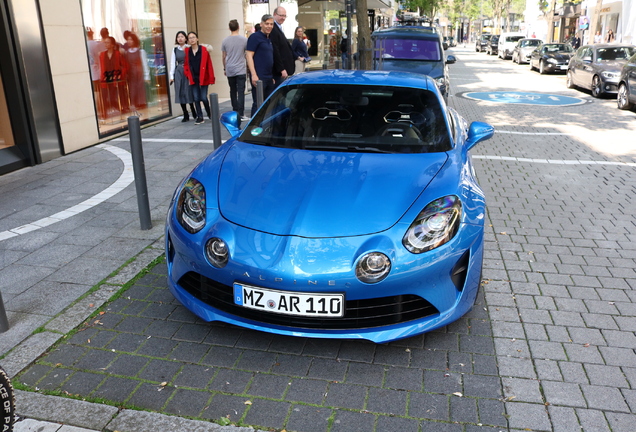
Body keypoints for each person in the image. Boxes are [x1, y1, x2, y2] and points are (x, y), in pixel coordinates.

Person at [183, 31, 215, 125]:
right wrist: (187, 74)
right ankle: (200, 117)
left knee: (203, 97)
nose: (192, 39)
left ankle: (209, 113)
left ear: (197, 39)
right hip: (193, 77)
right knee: (196, 98)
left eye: (193, 37)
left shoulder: (204, 50)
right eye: (190, 38)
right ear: (188, 40)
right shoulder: (187, 51)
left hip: (204, 77)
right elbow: (185, 64)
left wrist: (211, 77)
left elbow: (209, 65)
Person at [246, 14, 275, 116]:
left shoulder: (269, 38)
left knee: (268, 104)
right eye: (267, 24)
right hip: (259, 76)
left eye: (271, 24)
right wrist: (254, 74)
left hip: (268, 77)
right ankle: (253, 128)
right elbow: (249, 56)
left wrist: (271, 76)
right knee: (258, 104)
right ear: (261, 24)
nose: (269, 26)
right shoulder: (255, 37)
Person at [222, 20, 249, 122]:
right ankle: (241, 114)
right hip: (240, 69)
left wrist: (224, 68)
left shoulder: (225, 41)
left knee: (233, 90)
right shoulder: (244, 40)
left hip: (230, 68)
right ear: (238, 27)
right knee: (241, 91)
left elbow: (224, 56)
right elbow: (247, 54)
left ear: (229, 28)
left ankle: (235, 111)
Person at [169, 31, 197, 122]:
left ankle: (193, 109)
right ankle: (185, 113)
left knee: (189, 90)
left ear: (185, 38)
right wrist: (171, 76)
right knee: (180, 91)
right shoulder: (175, 50)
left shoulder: (189, 48)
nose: (180, 38)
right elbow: (173, 63)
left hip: (188, 71)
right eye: (178, 37)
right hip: (179, 72)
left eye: (182, 36)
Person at [99, 36, 127, 117]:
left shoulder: (118, 54)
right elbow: (102, 67)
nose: (106, 44)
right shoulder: (102, 55)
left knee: (115, 95)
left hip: (116, 79)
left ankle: (121, 108)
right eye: (105, 42)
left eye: (108, 42)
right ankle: (104, 113)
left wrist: (121, 75)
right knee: (104, 97)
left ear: (112, 44)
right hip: (106, 79)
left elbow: (125, 65)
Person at [124, 32, 149, 115]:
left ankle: (141, 104)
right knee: (132, 89)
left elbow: (144, 64)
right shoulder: (127, 52)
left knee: (140, 89)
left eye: (131, 39)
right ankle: (133, 104)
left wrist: (146, 76)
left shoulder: (140, 51)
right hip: (131, 74)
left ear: (134, 40)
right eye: (128, 40)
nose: (129, 41)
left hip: (139, 73)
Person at [270, 6, 295, 87]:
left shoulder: (279, 27)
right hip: (279, 71)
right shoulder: (273, 29)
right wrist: (281, 69)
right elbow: (275, 50)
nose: (283, 18)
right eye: (281, 15)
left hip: (284, 70)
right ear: (274, 14)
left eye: (284, 16)